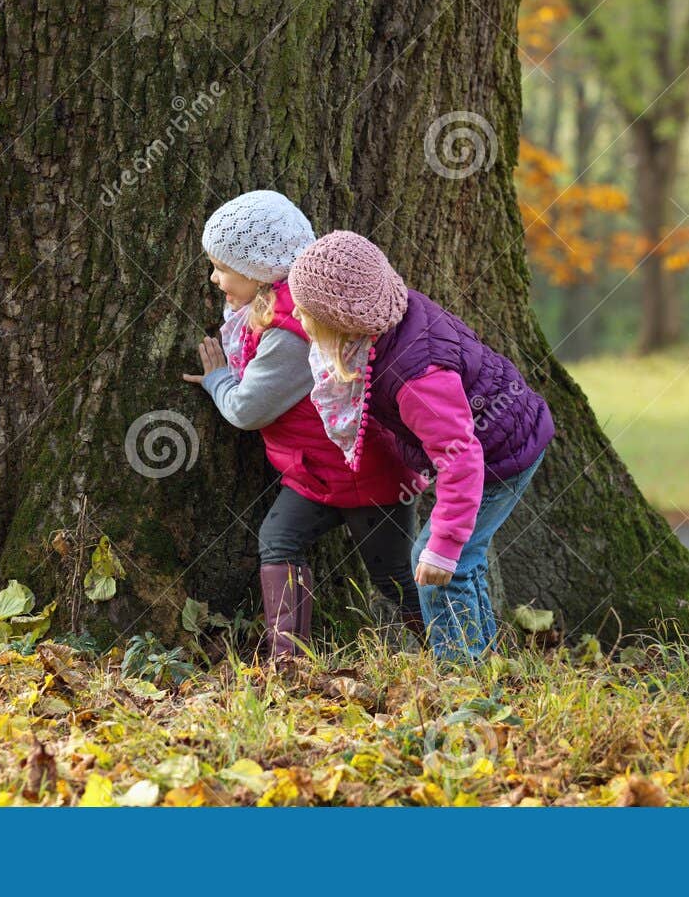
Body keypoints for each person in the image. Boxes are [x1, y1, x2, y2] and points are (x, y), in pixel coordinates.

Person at [287, 231, 554, 661]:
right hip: (491, 444)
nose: (296, 314)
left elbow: (461, 457)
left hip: (498, 458)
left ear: (342, 322)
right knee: (465, 561)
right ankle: (485, 664)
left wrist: (444, 545)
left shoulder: (417, 376)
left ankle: (462, 684)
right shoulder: (389, 319)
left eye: (307, 311)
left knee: (440, 569)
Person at [183, 192, 424, 660]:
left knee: (392, 575)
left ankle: (456, 649)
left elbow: (247, 410)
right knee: (278, 539)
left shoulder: (292, 331)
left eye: (222, 267)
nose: (214, 279)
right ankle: (288, 661)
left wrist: (218, 382)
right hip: (316, 473)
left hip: (368, 475)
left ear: (258, 271)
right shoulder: (273, 307)